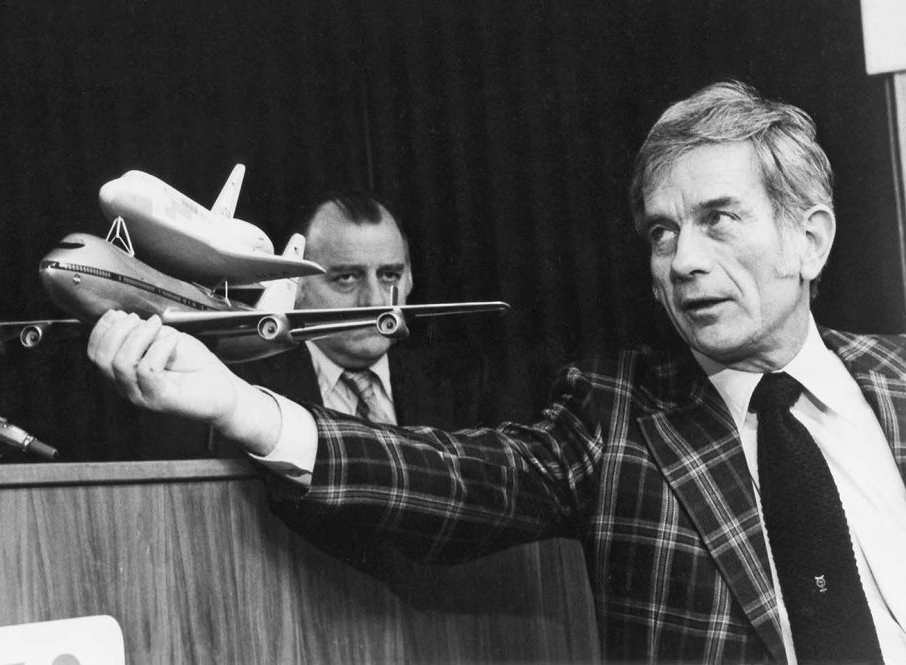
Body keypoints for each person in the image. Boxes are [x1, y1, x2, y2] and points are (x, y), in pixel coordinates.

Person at [85, 81, 906, 663]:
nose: (683, 260)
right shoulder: (616, 415)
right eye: (661, 232)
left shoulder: (897, 381)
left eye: (718, 220)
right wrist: (239, 402)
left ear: (812, 239)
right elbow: (451, 475)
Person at [231, 189, 498, 430]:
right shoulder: (246, 390)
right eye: (347, 277)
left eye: (390, 275)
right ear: (297, 285)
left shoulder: (463, 384)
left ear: (410, 280)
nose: (374, 301)